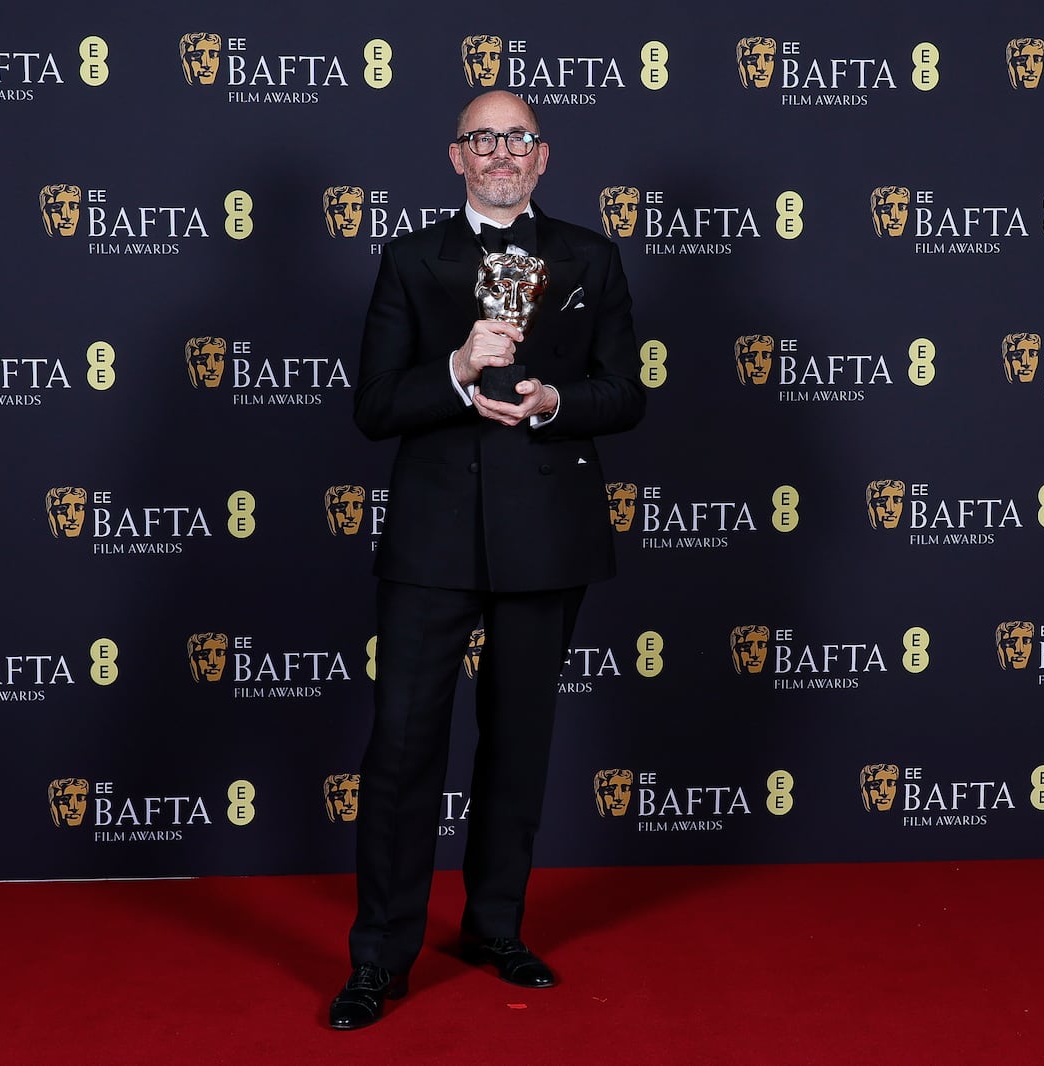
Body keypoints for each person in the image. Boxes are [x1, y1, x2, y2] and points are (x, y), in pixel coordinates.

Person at [331, 89, 646, 1031]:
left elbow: (624, 394)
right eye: (483, 138)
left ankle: (494, 927)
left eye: (518, 138)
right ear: (456, 156)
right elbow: (374, 405)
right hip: (433, 539)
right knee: (402, 747)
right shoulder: (409, 258)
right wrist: (462, 369)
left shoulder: (591, 256)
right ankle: (380, 959)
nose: (501, 152)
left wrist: (554, 400)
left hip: (547, 532)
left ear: (542, 158)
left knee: (519, 743)